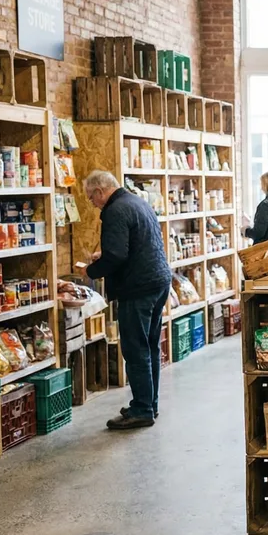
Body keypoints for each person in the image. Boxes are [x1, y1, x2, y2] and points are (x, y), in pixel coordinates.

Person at [76, 171, 172, 430]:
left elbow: (117, 255)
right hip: (158, 282)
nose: (92, 203)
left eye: (91, 198)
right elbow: (134, 244)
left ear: (100, 191)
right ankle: (149, 404)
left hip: (138, 288)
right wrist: (105, 254)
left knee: (135, 349)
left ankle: (141, 410)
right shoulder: (137, 202)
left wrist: (91, 271)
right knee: (150, 346)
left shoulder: (114, 210)